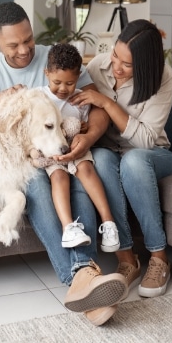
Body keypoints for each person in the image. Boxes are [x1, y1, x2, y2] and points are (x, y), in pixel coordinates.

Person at [0, 2, 127, 326]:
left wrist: (88, 137)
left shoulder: (55, 59)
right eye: (14, 45)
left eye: (28, 40)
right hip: (24, 163)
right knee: (36, 182)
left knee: (78, 173)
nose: (24, 50)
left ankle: (86, 280)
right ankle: (84, 274)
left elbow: (97, 106)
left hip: (66, 150)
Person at [67, 19, 172, 299]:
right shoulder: (97, 67)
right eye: (116, 55)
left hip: (153, 155)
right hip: (109, 152)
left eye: (127, 65)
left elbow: (145, 139)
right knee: (100, 161)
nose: (116, 66)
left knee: (133, 161)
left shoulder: (163, 78)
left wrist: (107, 103)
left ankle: (159, 257)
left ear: (145, 65)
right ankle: (127, 260)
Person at [35, 43, 119, 252]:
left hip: (76, 149)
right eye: (57, 82)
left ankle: (109, 224)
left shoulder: (81, 98)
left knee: (86, 170)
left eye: (70, 83)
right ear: (46, 74)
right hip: (53, 153)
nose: (63, 89)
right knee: (59, 177)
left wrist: (83, 128)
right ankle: (68, 228)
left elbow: (85, 125)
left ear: (79, 76)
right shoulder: (38, 97)